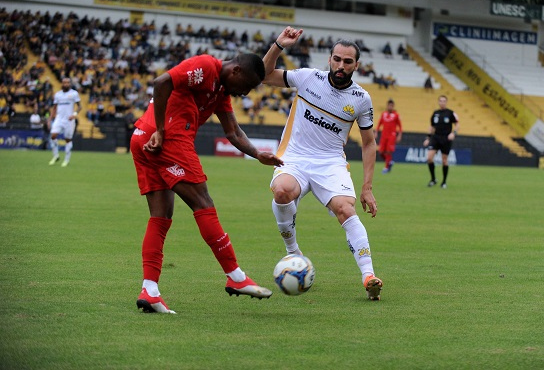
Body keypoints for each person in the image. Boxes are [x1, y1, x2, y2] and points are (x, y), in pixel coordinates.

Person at [131, 52, 283, 314]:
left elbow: (233, 132)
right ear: (235, 71)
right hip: (168, 138)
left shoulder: (221, 91)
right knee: (203, 202)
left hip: (143, 138)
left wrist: (257, 154)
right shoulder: (205, 66)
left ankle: (150, 290)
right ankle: (235, 276)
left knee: (161, 217)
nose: (244, 93)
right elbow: (161, 82)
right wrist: (161, 130)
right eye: (245, 86)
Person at [262, 27, 384, 301]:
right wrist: (278, 46)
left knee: (345, 208)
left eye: (348, 61)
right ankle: (293, 252)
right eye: (337, 59)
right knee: (282, 190)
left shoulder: (361, 99)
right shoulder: (307, 78)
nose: (341, 65)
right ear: (329, 59)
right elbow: (266, 76)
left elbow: (368, 143)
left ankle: (369, 276)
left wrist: (367, 187)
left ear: (356, 65)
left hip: (329, 163)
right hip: (294, 157)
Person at [423, 95, 459, 189]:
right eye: (441, 101)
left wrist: (453, 133)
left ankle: (444, 182)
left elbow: (457, 124)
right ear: (438, 102)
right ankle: (433, 179)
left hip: (446, 138)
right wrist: (428, 138)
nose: (442, 102)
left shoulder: (451, 113)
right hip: (436, 137)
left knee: (444, 160)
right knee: (429, 157)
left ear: (446, 102)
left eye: (444, 101)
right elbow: (431, 126)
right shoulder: (435, 113)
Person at [49, 77, 81, 167]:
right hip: (59, 118)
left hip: (69, 120)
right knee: (53, 135)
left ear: (70, 84)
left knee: (68, 140)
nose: (66, 84)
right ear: (62, 84)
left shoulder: (74, 94)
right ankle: (56, 156)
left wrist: (74, 114)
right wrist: (50, 119)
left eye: (67, 83)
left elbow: (79, 106)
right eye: (64, 83)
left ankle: (66, 160)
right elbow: (54, 108)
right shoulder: (58, 95)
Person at [375, 99, 403, 174]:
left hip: (391, 135)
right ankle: (390, 162)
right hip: (384, 135)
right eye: (389, 105)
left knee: (388, 152)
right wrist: (376, 132)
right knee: (381, 152)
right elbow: (379, 124)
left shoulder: (396, 115)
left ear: (393, 106)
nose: (390, 107)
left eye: (391, 105)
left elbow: (400, 126)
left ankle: (386, 167)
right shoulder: (383, 114)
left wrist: (399, 135)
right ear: (387, 106)